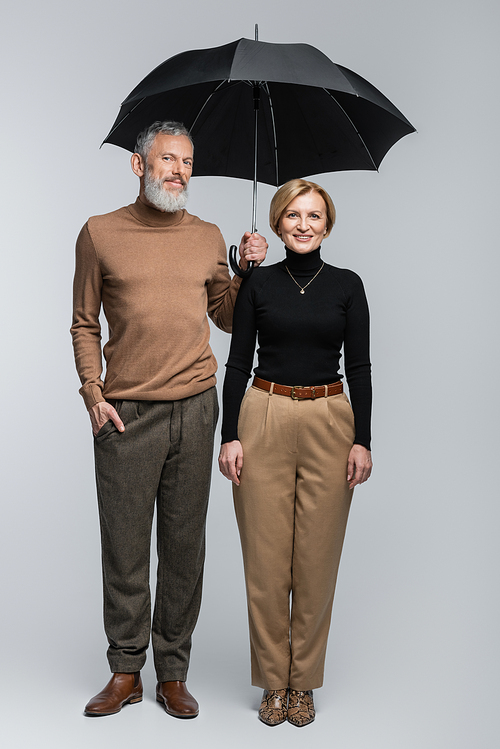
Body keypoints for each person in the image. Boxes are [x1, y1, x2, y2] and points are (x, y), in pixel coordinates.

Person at [71, 120, 267, 719]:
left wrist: (247, 273)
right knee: (125, 548)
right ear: (139, 165)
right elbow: (84, 322)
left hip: (196, 407)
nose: (180, 170)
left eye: (187, 161)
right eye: (168, 160)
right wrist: (92, 392)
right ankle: (126, 670)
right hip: (126, 414)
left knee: (185, 548)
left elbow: (228, 317)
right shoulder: (100, 234)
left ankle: (172, 673)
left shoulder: (207, 235)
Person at [218, 178, 372, 727]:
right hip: (263, 412)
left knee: (316, 559)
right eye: (293, 216)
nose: (303, 225)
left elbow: (360, 368)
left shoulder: (348, 286)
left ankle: (303, 682)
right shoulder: (258, 284)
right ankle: (272, 683)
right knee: (264, 562)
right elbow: (236, 362)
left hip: (331, 417)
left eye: (314, 216)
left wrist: (363, 439)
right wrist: (228, 434)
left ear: (327, 224)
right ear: (278, 222)